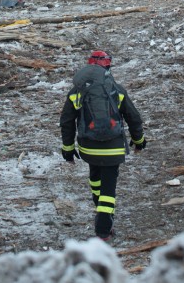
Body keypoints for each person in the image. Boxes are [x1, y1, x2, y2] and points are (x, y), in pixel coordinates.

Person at [59, 50, 145, 241]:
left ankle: (101, 212)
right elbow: (134, 118)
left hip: (88, 148)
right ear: (107, 68)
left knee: (96, 180)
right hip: (113, 148)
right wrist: (139, 141)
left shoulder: (76, 92)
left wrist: (68, 149)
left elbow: (66, 122)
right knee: (108, 189)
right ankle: (103, 229)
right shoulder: (116, 89)